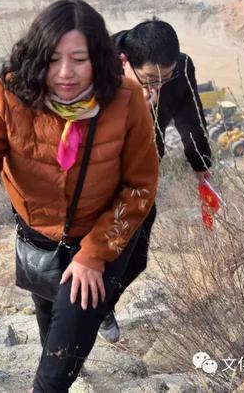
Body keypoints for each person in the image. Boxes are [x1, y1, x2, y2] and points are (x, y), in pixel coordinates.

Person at [0, 0, 159, 392]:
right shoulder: (10, 93)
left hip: (102, 234)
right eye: (53, 59)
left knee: (59, 360)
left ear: (99, 59)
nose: (65, 73)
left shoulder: (126, 100)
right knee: (51, 333)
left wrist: (93, 255)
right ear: (37, 56)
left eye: (79, 59)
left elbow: (140, 187)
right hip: (40, 234)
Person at [96, 19, 213, 343]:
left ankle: (102, 304)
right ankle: (72, 321)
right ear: (125, 63)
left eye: (166, 78)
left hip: (144, 170)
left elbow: (192, 117)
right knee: (96, 248)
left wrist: (201, 164)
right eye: (149, 79)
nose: (157, 88)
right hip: (98, 171)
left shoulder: (181, 69)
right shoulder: (97, 62)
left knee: (137, 255)